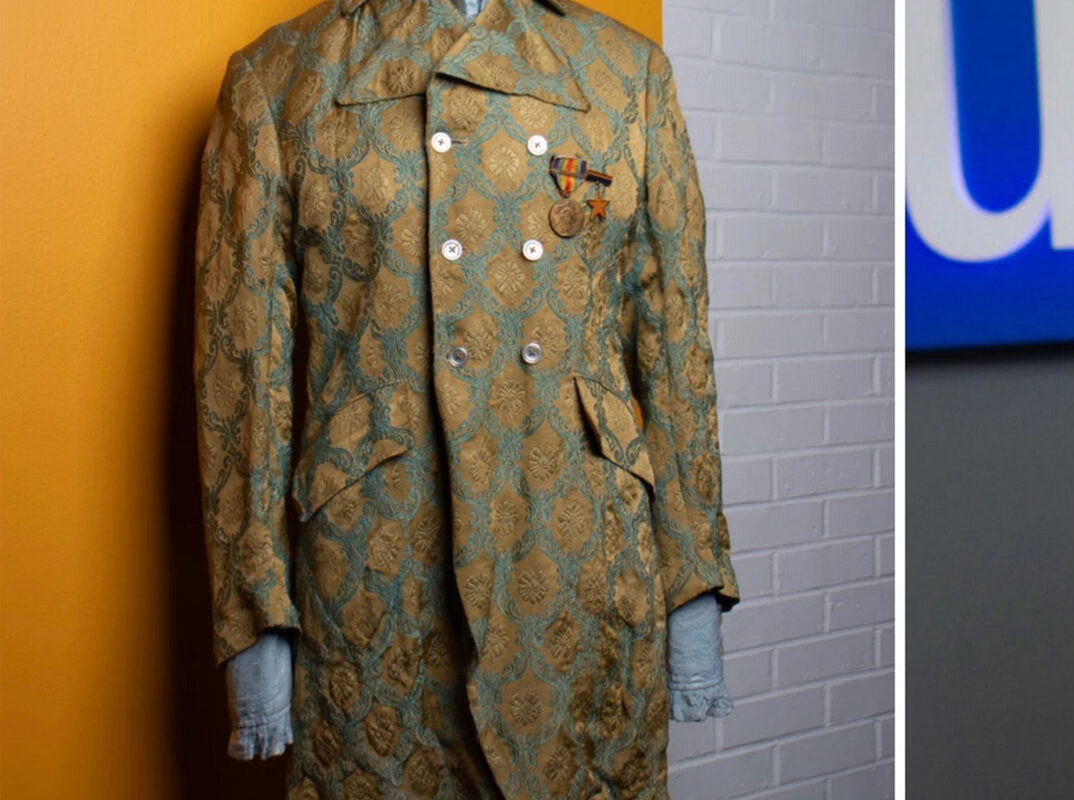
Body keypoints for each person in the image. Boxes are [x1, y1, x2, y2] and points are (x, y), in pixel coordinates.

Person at [193, 0, 739, 797]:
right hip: (381, 558)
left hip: (580, 547)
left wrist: (692, 587)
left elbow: (676, 343)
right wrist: (254, 615)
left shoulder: (626, 74)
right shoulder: (282, 78)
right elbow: (240, 368)